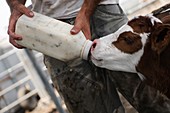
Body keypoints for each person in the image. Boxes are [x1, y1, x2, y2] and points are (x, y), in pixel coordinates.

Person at [6, 0, 170, 113]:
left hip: (102, 9)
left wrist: (85, 11)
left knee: (154, 99)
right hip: (53, 27)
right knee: (87, 107)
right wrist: (15, 5)